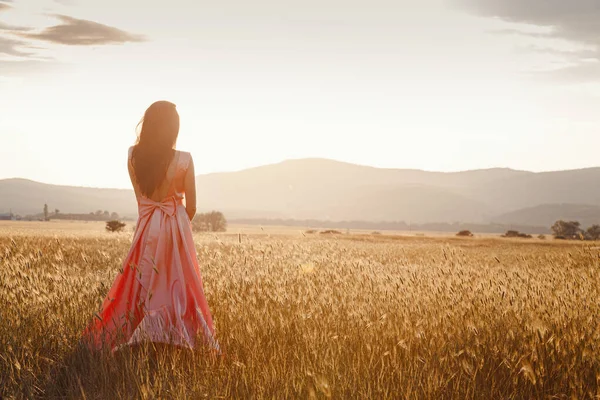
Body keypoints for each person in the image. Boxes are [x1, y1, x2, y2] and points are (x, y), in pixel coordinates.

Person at [82, 101, 219, 353]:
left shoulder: (132, 155)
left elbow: (140, 200)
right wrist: (177, 226)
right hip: (175, 225)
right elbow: (192, 206)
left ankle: (136, 329)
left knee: (137, 278)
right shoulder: (185, 159)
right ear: (172, 129)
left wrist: (151, 219)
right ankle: (176, 336)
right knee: (177, 279)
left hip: (146, 225)